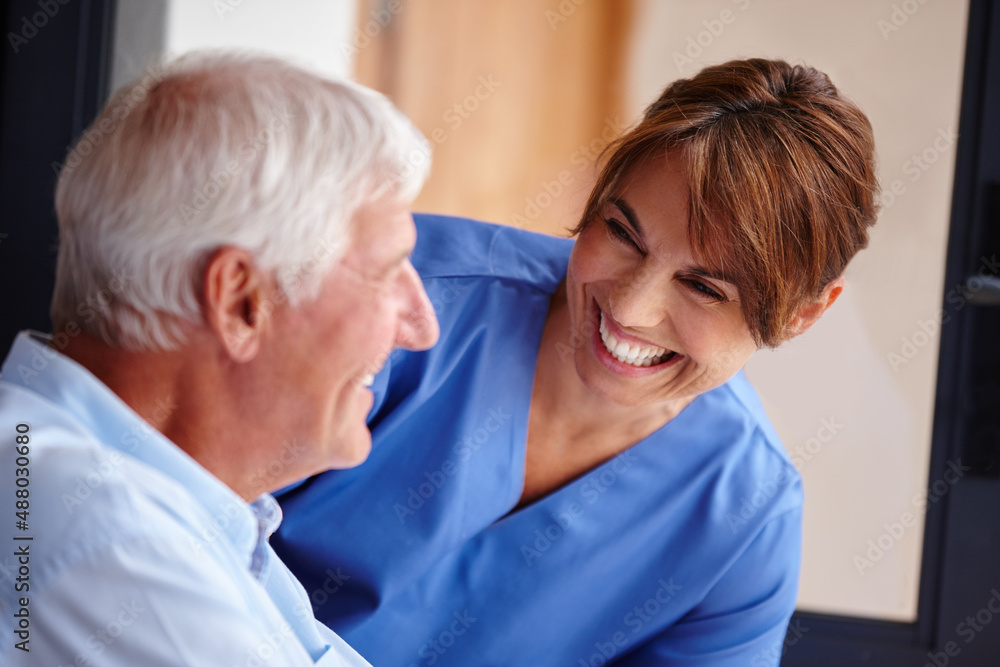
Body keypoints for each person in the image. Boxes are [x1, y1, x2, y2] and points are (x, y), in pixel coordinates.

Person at [273, 58, 880, 666]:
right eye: (622, 233)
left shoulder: (746, 520)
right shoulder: (397, 295)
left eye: (703, 288)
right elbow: (186, 513)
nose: (631, 308)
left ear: (804, 313)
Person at [0, 52, 438, 666]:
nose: (422, 326)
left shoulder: (188, 513)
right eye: (388, 269)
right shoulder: (102, 528)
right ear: (241, 303)